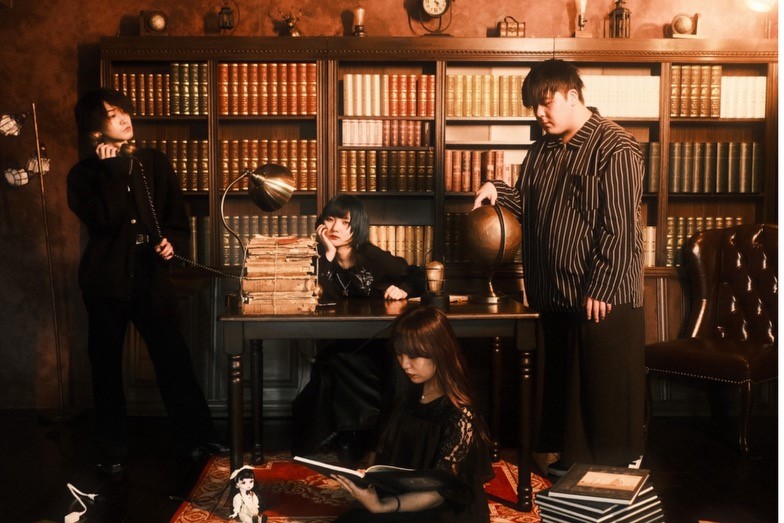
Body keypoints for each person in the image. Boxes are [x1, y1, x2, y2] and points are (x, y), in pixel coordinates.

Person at [473, 59, 645, 475]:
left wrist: (602, 286)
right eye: (534, 106)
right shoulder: (540, 151)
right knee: (566, 388)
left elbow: (620, 226)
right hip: (553, 292)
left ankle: (615, 466)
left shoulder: (616, 147)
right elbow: (528, 205)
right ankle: (570, 462)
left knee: (601, 387)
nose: (538, 114)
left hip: (601, 294)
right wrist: (497, 189)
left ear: (572, 96)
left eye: (545, 103)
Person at [67, 88, 226, 474]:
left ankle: (198, 438)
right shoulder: (83, 175)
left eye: (124, 111)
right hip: (105, 280)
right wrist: (112, 172)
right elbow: (105, 221)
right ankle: (112, 446)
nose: (124, 119)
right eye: (112, 115)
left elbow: (175, 217)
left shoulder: (153, 161)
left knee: (173, 357)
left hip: (151, 273)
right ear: (94, 128)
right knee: (105, 364)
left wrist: (173, 243)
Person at [291, 194, 426, 460]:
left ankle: (354, 437)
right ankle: (350, 436)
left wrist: (403, 289)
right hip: (336, 339)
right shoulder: (318, 256)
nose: (335, 228)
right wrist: (328, 255)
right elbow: (317, 296)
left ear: (358, 226)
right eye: (330, 220)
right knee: (333, 363)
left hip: (375, 340)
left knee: (342, 363)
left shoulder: (371, 256)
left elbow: (416, 274)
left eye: (345, 222)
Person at [332, 305, 494, 523]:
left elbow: (440, 493)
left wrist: (382, 506)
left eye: (414, 356)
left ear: (439, 353)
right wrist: (366, 478)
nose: (405, 365)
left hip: (443, 511)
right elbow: (381, 449)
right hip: (401, 497)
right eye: (400, 355)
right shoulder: (405, 395)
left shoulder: (461, 415)